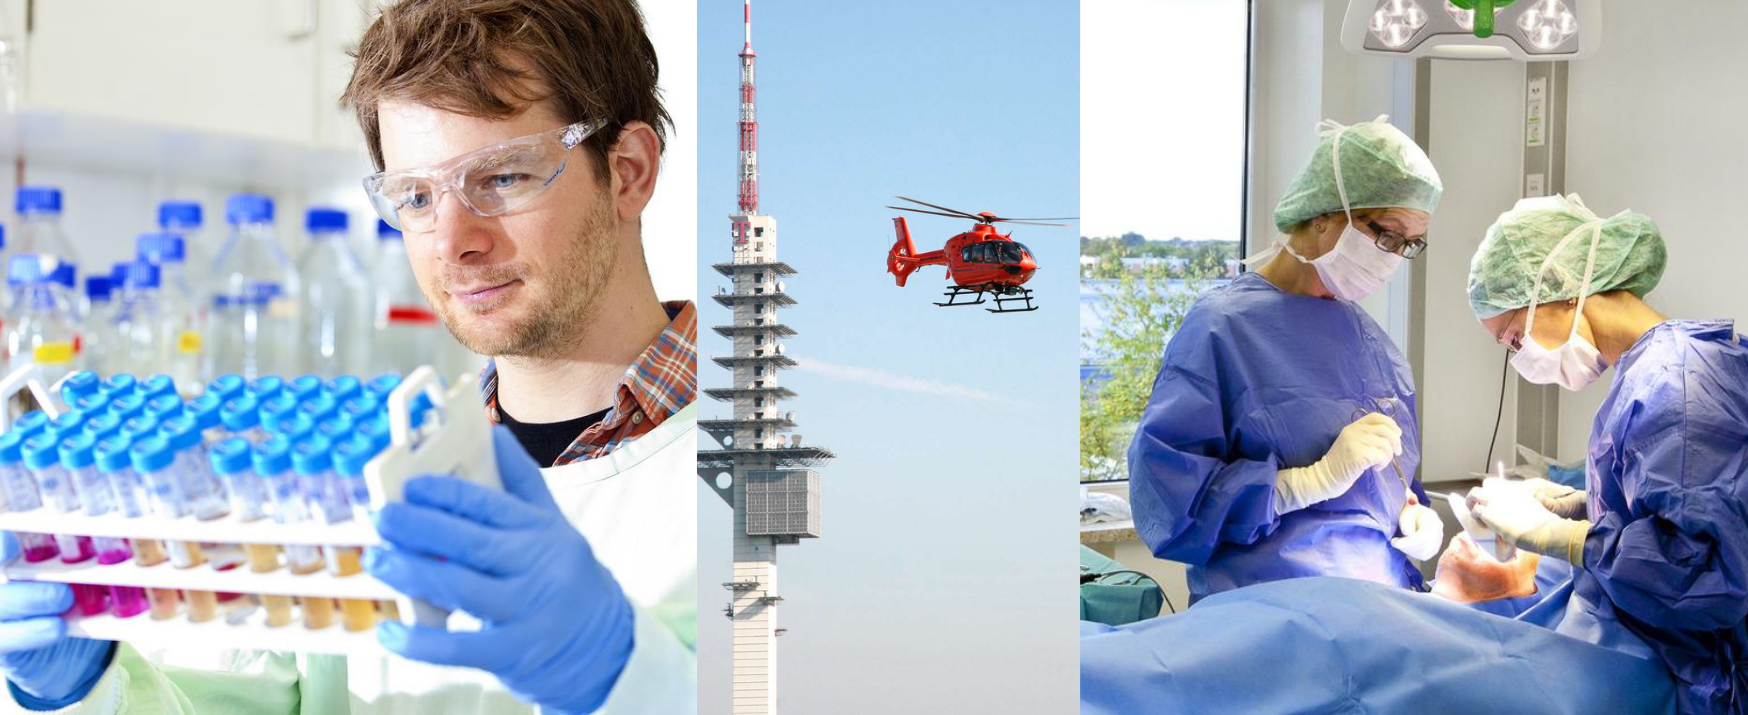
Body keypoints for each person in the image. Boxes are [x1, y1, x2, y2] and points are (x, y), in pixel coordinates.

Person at [0, 0, 697, 712]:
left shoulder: (765, 485)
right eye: (417, 196)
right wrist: (91, 690)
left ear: (630, 171)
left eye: (502, 177)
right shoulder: (366, 474)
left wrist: (626, 675)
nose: (453, 240)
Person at [1127, 116, 1446, 603]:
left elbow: (1389, 475)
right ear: (1323, 216)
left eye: (1409, 245)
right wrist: (1306, 484)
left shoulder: (1370, 343)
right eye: (1387, 235)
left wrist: (1410, 511)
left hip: (1378, 606)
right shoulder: (1222, 329)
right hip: (1265, 616)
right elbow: (1170, 498)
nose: (1394, 256)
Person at [1461, 194, 1747, 714]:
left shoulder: (1675, 386)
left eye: (1513, 336)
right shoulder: (1659, 372)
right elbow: (1679, 507)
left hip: (1702, 678)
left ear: (1563, 289)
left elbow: (1708, 572)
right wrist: (1577, 504)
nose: (1520, 356)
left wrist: (1566, 538)